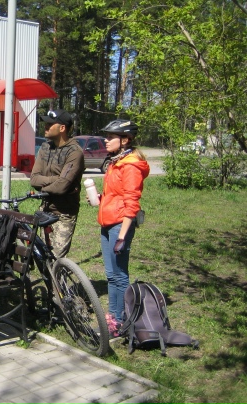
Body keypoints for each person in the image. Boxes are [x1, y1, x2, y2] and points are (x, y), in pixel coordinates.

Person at [97, 119, 150, 337]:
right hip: (108, 222)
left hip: (120, 225)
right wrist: (101, 198)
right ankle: (113, 318)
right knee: (111, 275)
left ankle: (119, 322)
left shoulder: (130, 166)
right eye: (106, 136)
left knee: (119, 275)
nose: (106, 140)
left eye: (111, 137)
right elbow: (117, 194)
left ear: (125, 140)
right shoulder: (116, 162)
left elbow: (132, 203)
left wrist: (122, 236)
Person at [30, 109, 85, 258]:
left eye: (50, 124)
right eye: (46, 123)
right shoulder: (45, 147)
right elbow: (34, 179)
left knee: (56, 258)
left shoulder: (74, 152)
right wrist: (57, 179)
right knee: (43, 256)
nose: (46, 127)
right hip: (45, 210)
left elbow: (61, 187)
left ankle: (58, 274)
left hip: (64, 213)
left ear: (62, 128)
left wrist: (55, 183)